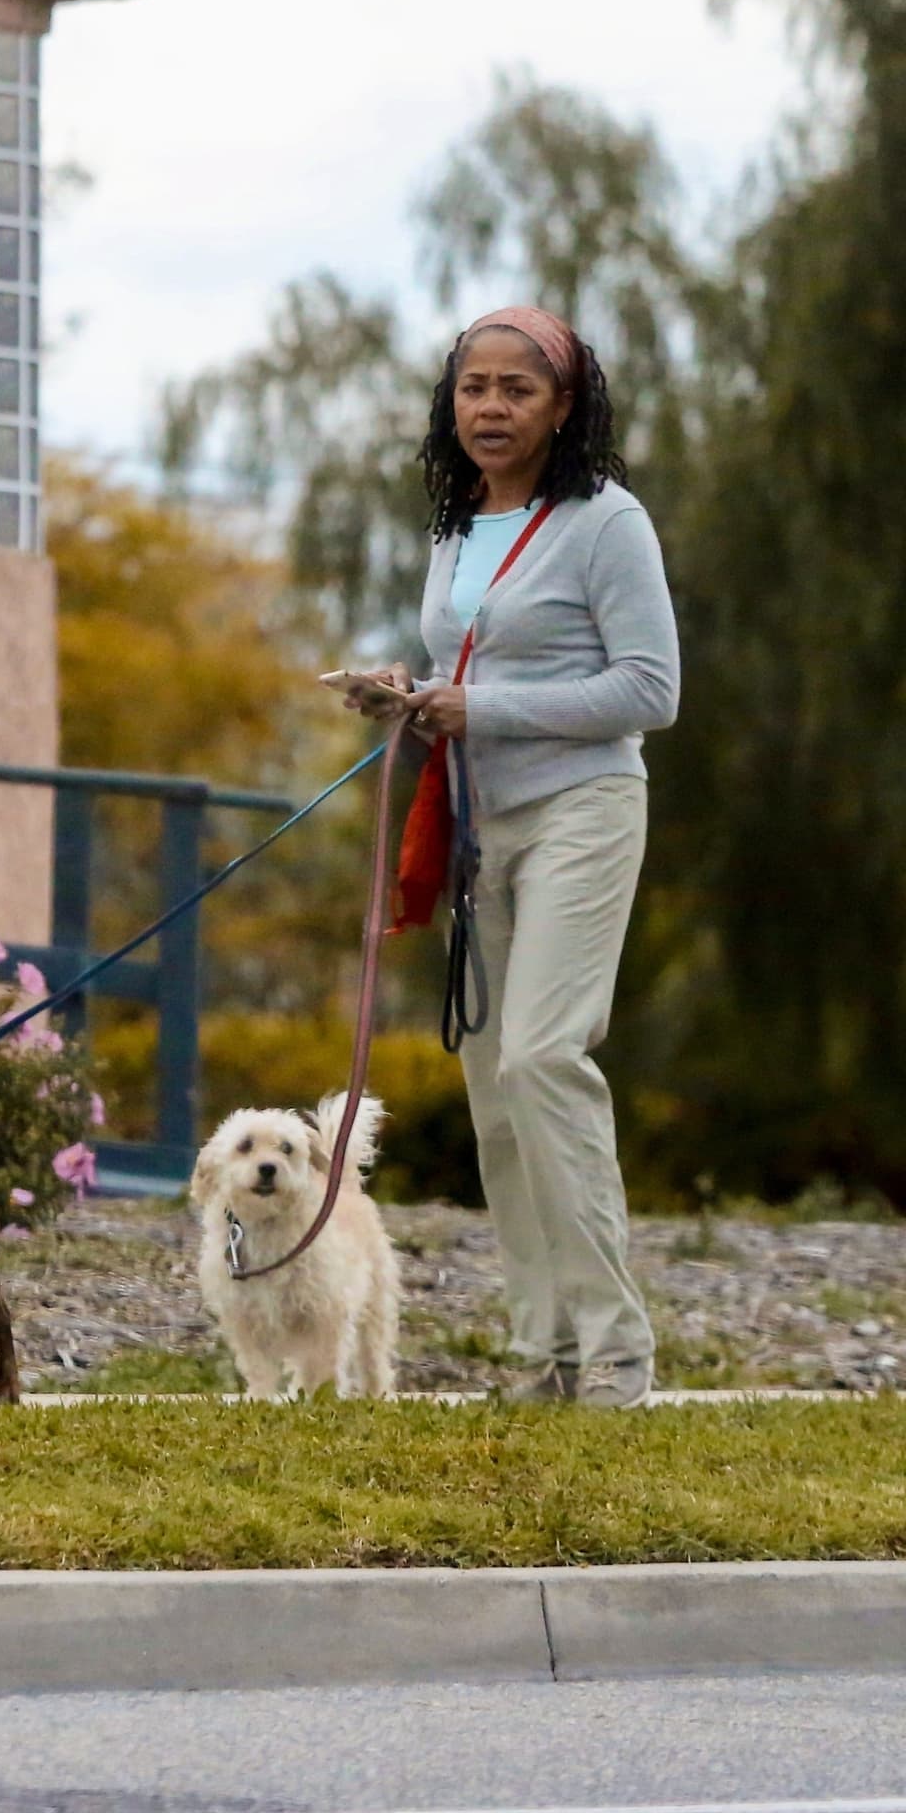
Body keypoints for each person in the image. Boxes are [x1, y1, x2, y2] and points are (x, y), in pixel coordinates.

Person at [355, 305, 679, 1408]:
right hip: (478, 831)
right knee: (494, 1091)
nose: (489, 408)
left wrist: (478, 707)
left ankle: (617, 1356)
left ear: (563, 406)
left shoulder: (605, 522)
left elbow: (650, 691)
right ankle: (547, 1353)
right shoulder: (453, 525)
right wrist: (403, 697)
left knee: (543, 1056)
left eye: (515, 390)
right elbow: (459, 667)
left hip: (582, 810)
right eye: (471, 388)